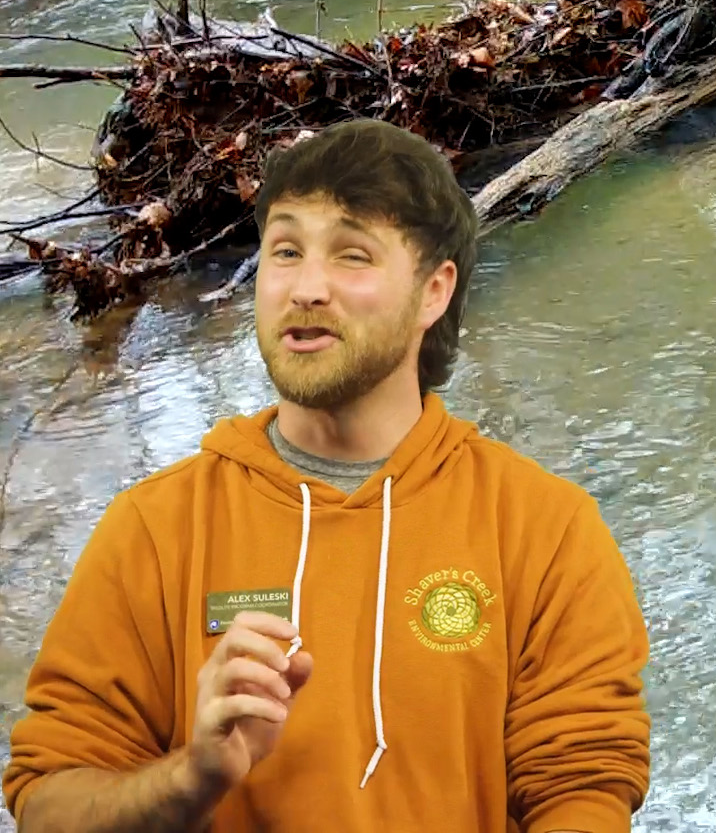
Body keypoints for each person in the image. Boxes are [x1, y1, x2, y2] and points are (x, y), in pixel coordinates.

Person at [0, 118, 652, 832]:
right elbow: (48, 802)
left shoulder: (544, 528)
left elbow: (582, 784)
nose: (306, 287)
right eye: (285, 250)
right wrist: (194, 776)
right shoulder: (153, 532)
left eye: (352, 255)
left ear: (433, 292)